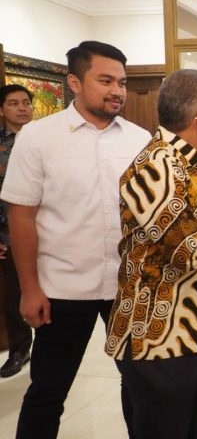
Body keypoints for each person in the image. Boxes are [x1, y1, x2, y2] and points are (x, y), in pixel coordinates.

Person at [0, 41, 151, 438]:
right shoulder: (38, 138)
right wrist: (29, 290)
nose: (117, 90)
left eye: (121, 81)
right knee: (49, 389)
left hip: (127, 286)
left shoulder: (139, 139)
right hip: (62, 288)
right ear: (74, 82)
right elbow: (22, 215)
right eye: (105, 80)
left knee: (141, 387)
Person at [105, 69, 197, 438]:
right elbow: (185, 255)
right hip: (157, 338)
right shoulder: (158, 166)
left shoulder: (187, 163)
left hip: (191, 329)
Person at [0, 84, 34, 378]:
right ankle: (20, 348)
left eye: (26, 102)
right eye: (14, 103)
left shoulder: (43, 140)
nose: (22, 108)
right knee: (13, 295)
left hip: (47, 231)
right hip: (8, 233)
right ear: (2, 110)